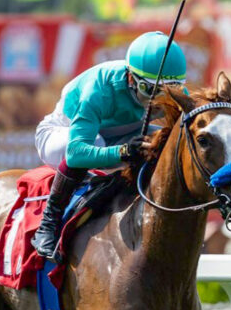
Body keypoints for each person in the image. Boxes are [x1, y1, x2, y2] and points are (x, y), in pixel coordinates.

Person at [32, 31, 188, 261]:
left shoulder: (167, 90)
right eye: (151, 90)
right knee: (95, 142)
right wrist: (124, 152)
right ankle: (48, 224)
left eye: (169, 91)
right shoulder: (99, 88)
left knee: (172, 139)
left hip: (121, 134)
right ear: (131, 78)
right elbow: (76, 153)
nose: (159, 100)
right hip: (63, 135)